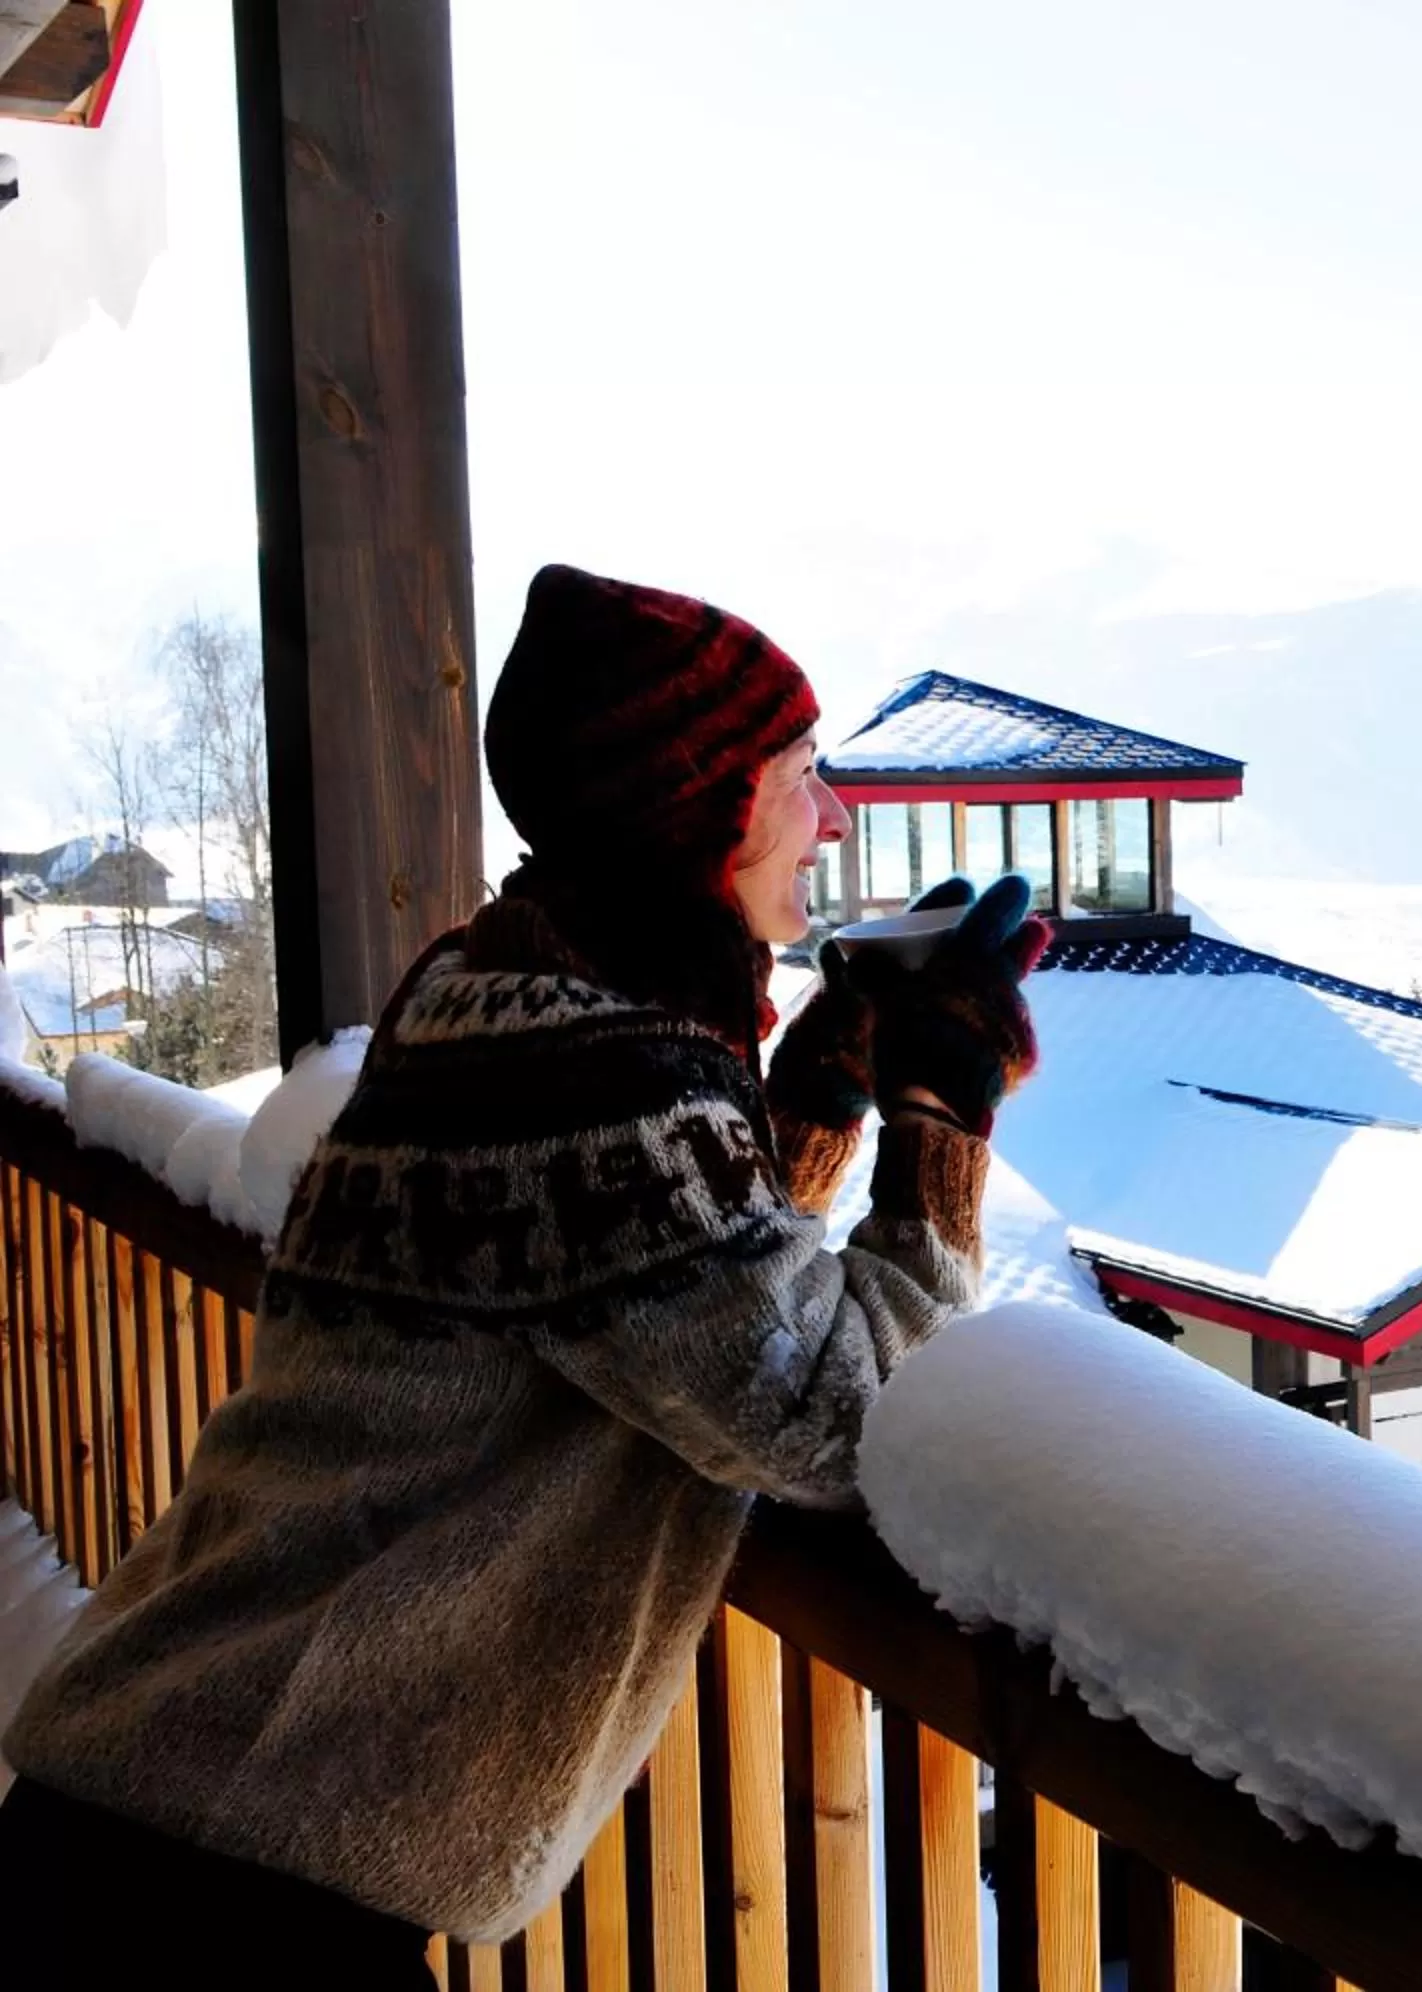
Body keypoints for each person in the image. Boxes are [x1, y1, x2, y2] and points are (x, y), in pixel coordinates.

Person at [0, 564, 1047, 1986]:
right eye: (800, 771)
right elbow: (817, 1415)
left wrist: (805, 1104)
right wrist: (941, 1124)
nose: (839, 812)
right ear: (694, 811)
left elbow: (659, 1291)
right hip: (232, 1875)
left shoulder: (497, 996)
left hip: (183, 1809)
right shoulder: (594, 1074)